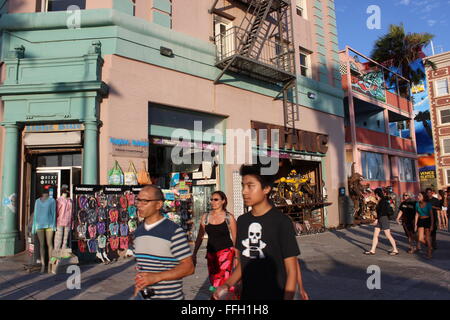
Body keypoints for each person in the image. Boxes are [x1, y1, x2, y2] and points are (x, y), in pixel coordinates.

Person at [213, 164, 300, 300]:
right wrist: (227, 284)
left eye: (250, 186)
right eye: (243, 186)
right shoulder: (242, 221)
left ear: (266, 188)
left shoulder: (282, 222)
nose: (244, 191)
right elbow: (244, 263)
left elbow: (291, 270)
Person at [133, 185, 194, 300]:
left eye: (145, 201)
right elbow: (142, 266)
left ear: (158, 205)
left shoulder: (173, 231)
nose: (139, 205)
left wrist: (156, 277)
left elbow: (189, 267)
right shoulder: (138, 232)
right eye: (138, 200)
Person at [192, 191, 237, 298]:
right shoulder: (205, 217)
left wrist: (237, 258)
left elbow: (236, 239)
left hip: (226, 254)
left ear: (223, 201)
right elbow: (200, 236)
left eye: (216, 199)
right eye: (211, 199)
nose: (212, 202)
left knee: (223, 281)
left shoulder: (229, 218)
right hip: (211, 255)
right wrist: (194, 253)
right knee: (213, 281)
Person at [364, 188, 399, 256]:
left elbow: (381, 212)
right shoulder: (381, 200)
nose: (374, 195)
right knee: (375, 234)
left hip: (383, 218)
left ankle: (395, 249)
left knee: (388, 235)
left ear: (377, 194)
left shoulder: (383, 201)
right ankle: (372, 250)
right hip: (381, 218)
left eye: (375, 194)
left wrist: (377, 219)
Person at [32, 191, 57, 273]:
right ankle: (43, 265)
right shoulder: (37, 201)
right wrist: (34, 228)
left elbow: (54, 214)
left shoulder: (52, 200)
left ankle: (51, 264)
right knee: (42, 245)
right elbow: (35, 215)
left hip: (49, 225)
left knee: (50, 245)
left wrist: (54, 225)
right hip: (39, 225)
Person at [415, 192, 434, 259]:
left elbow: (431, 215)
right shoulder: (417, 204)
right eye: (418, 195)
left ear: (423, 197)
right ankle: (430, 247)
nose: (418, 197)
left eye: (419, 195)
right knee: (420, 238)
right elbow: (417, 214)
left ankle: (429, 254)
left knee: (428, 238)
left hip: (427, 220)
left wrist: (432, 225)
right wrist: (415, 224)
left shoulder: (428, 204)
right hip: (420, 220)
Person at [54, 187, 73, 251]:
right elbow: (56, 211)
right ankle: (56, 253)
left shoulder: (70, 200)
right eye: (66, 191)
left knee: (65, 240)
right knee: (58, 239)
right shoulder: (59, 200)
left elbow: (71, 211)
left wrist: (72, 221)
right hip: (60, 221)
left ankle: (63, 253)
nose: (67, 192)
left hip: (68, 221)